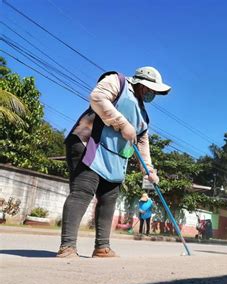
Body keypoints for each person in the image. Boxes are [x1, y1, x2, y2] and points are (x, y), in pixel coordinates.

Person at [57, 67, 171, 258]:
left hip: (115, 157)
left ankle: (102, 247)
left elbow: (142, 143)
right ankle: (67, 246)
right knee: (82, 192)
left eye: (154, 92)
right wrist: (122, 123)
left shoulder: (143, 117)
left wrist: (148, 170)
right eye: (150, 89)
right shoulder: (117, 81)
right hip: (90, 145)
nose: (151, 94)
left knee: (109, 198)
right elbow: (97, 97)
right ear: (140, 84)